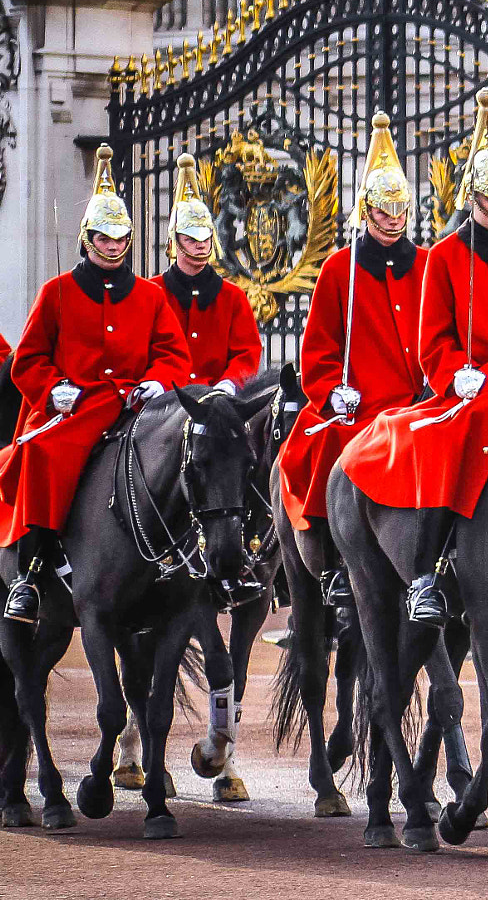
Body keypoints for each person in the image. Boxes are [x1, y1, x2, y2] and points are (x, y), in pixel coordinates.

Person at [339, 89, 488, 625]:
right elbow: (433, 340)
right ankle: (427, 570)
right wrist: (455, 374)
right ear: (472, 197)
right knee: (441, 440)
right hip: (474, 388)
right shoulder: (446, 257)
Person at [0, 147, 190, 621]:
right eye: (104, 238)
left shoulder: (148, 295)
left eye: (120, 238)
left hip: (130, 405)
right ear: (88, 239)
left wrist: (156, 382)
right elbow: (28, 361)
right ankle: (33, 566)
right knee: (42, 454)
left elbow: (173, 354)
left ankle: (183, 559)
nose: (112, 245)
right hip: (74, 407)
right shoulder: (57, 292)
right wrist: (53, 390)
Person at [278, 111, 428, 622]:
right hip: (359, 403)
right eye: (383, 209)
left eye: (399, 209)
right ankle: (338, 562)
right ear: (366, 210)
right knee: (332, 444)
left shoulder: (427, 265)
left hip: (416, 401)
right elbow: (317, 350)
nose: (392, 218)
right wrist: (330, 391)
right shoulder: (338, 269)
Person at [151, 153, 262, 393]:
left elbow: (247, 353)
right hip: (166, 396)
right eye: (191, 239)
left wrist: (230, 382)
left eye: (205, 238)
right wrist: (156, 381)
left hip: (216, 395)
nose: (200, 245)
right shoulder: (152, 293)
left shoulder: (233, 297)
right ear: (174, 241)